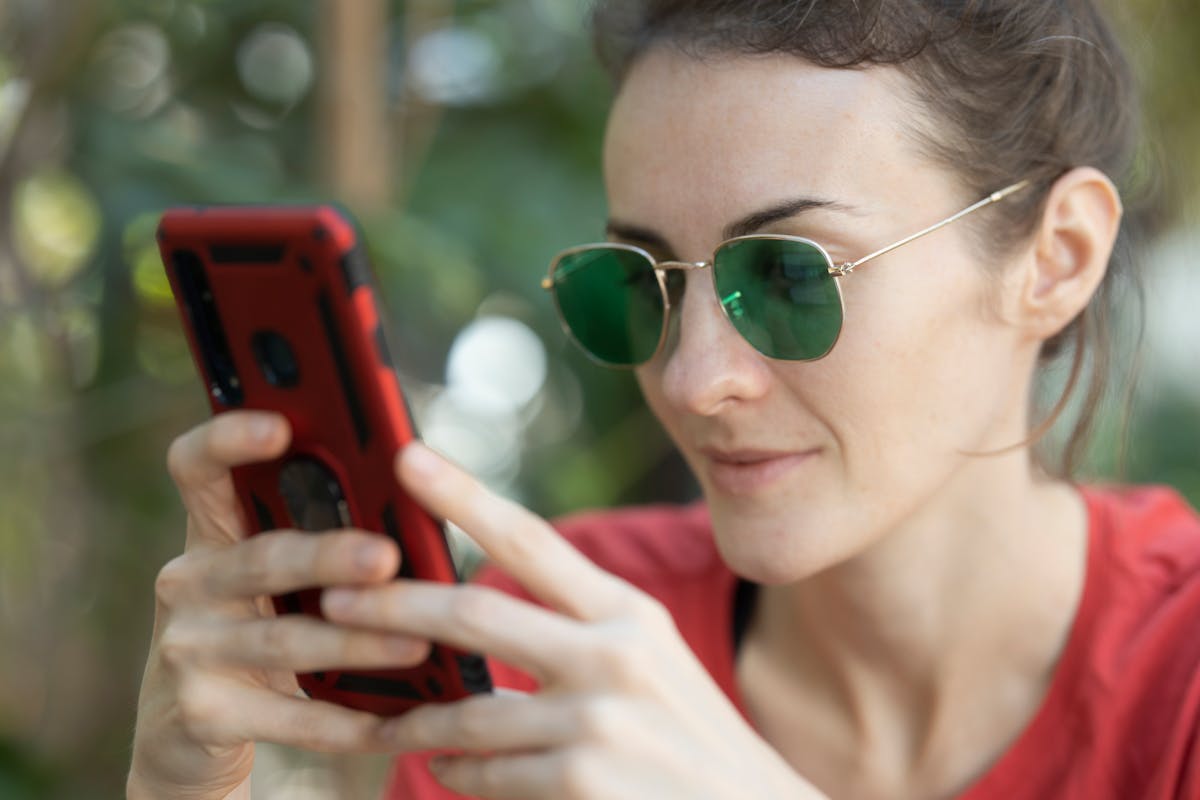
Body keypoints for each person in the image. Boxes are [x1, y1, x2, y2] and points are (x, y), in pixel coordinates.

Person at [127, 1, 1200, 798]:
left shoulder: (1177, 678)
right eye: (634, 285)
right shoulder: (555, 648)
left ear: (1057, 258)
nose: (694, 379)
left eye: (790, 277)